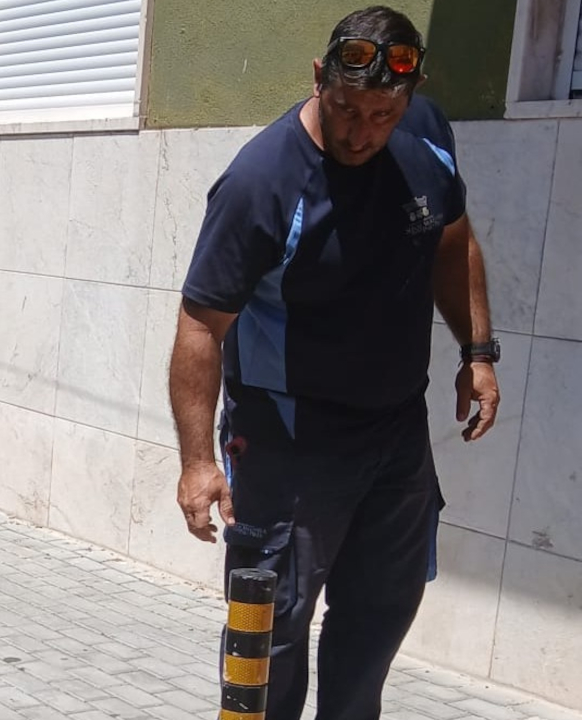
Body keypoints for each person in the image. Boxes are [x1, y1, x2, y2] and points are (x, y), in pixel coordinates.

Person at [167, 6, 501, 719]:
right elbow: (200, 324)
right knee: (271, 638)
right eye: (346, 108)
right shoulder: (262, 180)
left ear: (406, 101)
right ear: (319, 78)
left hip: (395, 441)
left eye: (382, 113)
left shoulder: (425, 138)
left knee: (377, 619)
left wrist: (477, 352)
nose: (361, 131)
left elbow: (452, 239)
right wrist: (198, 461)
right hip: (287, 444)